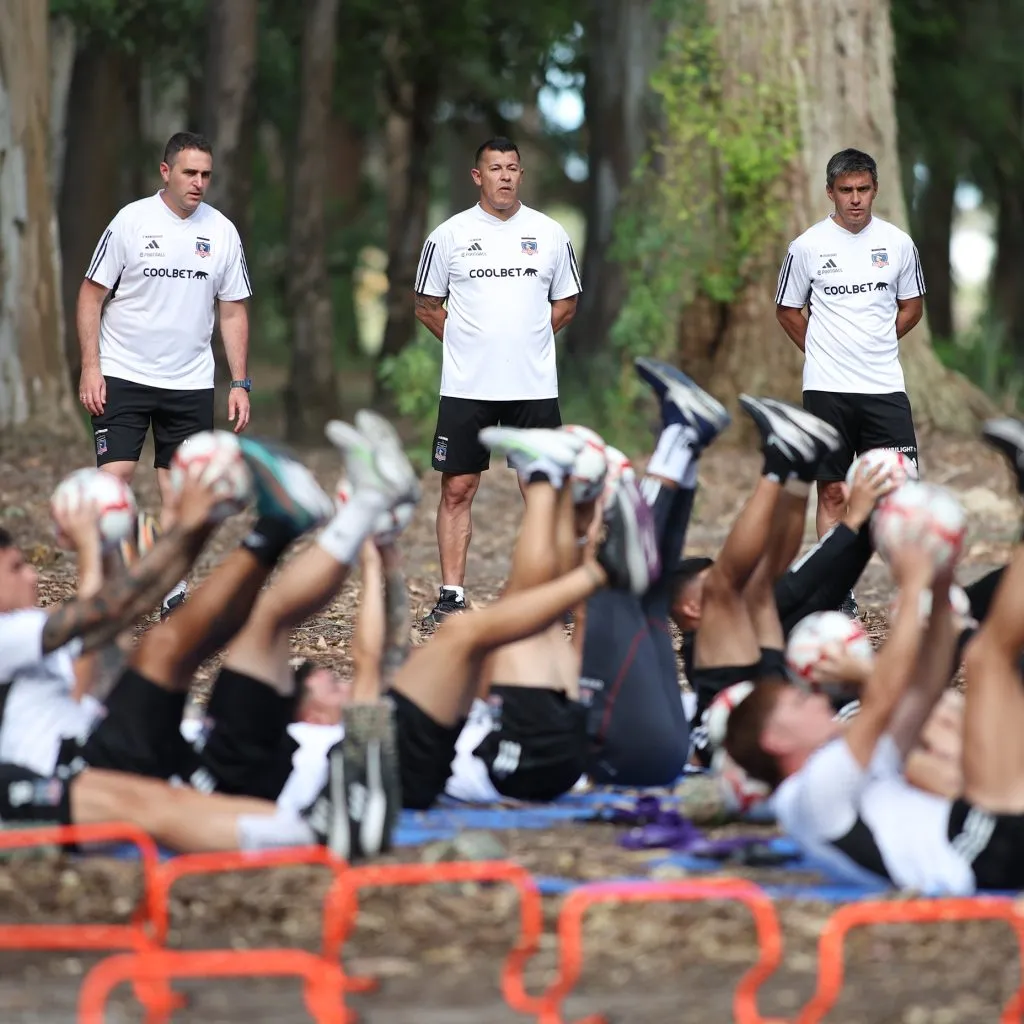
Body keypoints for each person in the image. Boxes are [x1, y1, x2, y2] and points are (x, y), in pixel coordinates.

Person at [722, 416, 1024, 895]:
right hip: (978, 855)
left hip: (980, 836)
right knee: (990, 659)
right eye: (798, 702)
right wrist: (913, 583)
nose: (815, 699)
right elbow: (882, 698)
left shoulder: (843, 772)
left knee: (986, 656)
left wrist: (939, 587)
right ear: (776, 739)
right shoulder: (811, 794)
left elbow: (923, 691)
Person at [76, 131, 254, 619]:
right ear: (166, 171)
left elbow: (233, 310)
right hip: (123, 373)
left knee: (179, 494)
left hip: (189, 381)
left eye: (205, 175)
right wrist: (91, 366)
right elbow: (91, 295)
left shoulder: (222, 232)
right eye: (189, 172)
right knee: (114, 483)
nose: (198, 183)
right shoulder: (131, 222)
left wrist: (239, 382)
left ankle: (172, 591)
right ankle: (109, 585)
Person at [413, 136, 583, 627]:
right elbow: (426, 305)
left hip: (533, 387)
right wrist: (470, 345)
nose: (504, 176)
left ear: (521, 175)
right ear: (478, 176)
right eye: (495, 168)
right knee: (458, 489)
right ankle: (451, 596)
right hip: (468, 388)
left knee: (543, 490)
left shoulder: (549, 233)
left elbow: (566, 303)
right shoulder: (449, 235)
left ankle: (550, 594)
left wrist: (525, 341)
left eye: (512, 168)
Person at [775, 147, 926, 616]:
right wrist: (825, 351)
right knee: (834, 491)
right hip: (827, 388)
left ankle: (914, 592)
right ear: (830, 192)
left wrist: (877, 342)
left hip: (885, 386)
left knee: (900, 491)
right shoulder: (806, 247)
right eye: (846, 190)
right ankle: (837, 593)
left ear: (875, 190)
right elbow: (788, 310)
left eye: (863, 189)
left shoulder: (898, 244)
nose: (855, 199)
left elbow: (912, 306)